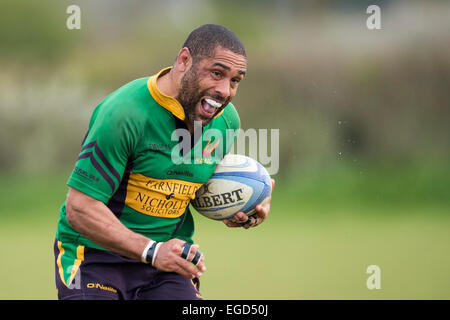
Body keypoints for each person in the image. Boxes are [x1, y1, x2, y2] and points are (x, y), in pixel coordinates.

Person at [54, 24, 273, 300]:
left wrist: (243, 203)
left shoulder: (226, 122)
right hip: (95, 258)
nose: (224, 91)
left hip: (166, 264)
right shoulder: (124, 114)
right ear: (184, 61)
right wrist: (152, 251)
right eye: (217, 73)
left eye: (235, 80)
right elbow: (79, 208)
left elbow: (189, 185)